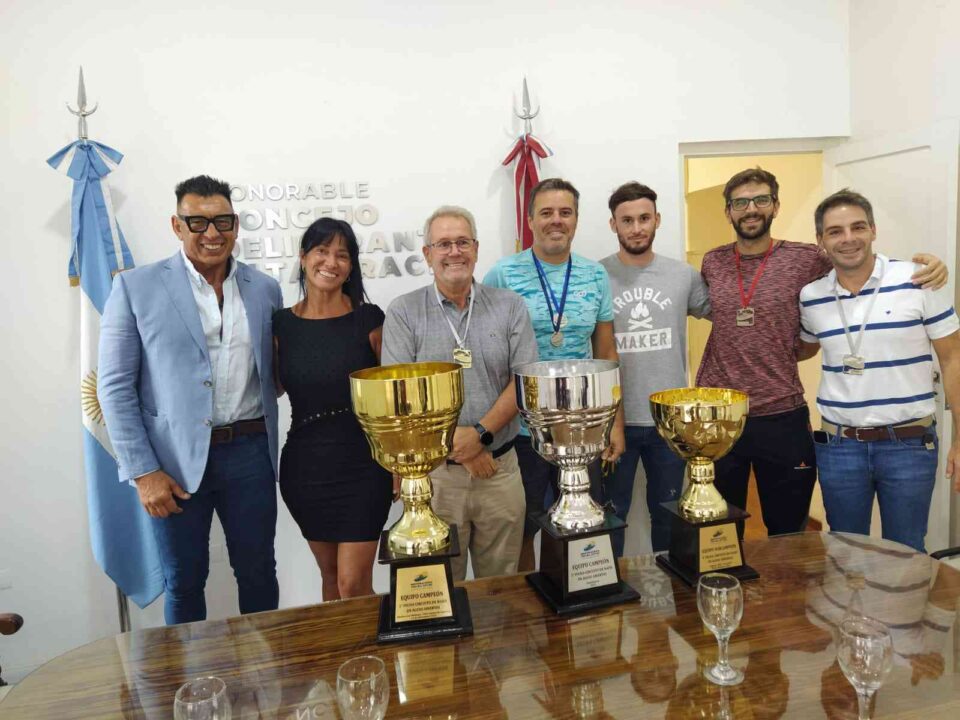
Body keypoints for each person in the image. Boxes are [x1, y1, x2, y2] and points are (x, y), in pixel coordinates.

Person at [696, 167, 947, 537]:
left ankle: (788, 596)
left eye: (761, 199)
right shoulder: (712, 261)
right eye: (741, 202)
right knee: (717, 528)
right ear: (728, 211)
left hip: (782, 413)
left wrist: (930, 267)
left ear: (775, 206)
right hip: (719, 414)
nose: (751, 209)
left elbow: (858, 263)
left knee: (789, 534)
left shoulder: (807, 259)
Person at [98, 175, 282, 625]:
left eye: (222, 221)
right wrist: (143, 472)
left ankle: (267, 684)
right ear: (177, 226)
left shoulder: (265, 289)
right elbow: (115, 386)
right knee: (183, 580)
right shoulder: (135, 288)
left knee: (259, 574)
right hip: (172, 465)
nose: (212, 233)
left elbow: (276, 372)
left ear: (236, 225)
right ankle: (187, 690)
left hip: (251, 453)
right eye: (197, 222)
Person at [798, 189, 960, 552]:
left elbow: (954, 359)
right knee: (844, 550)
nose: (849, 238)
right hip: (839, 447)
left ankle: (904, 612)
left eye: (858, 227)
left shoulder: (919, 279)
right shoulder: (812, 296)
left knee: (905, 553)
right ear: (821, 241)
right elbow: (803, 348)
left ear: (873, 230)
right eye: (835, 231)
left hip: (909, 444)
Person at [382, 206, 537, 580]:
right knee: (438, 588)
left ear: (477, 249)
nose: (455, 252)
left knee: (501, 588)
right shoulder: (404, 312)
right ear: (427, 254)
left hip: (499, 471)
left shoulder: (509, 306)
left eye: (462, 242)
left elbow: (523, 380)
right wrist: (462, 449)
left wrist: (481, 435)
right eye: (444, 243)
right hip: (436, 478)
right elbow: (399, 395)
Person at [484, 178, 625, 571]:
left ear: (577, 220)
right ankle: (532, 599)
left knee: (583, 520)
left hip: (581, 428)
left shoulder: (594, 275)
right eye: (546, 212)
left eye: (565, 212)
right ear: (530, 220)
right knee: (523, 527)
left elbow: (606, 352)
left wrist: (615, 423)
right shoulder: (503, 274)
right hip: (522, 429)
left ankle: (578, 591)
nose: (556, 220)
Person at [273, 217, 393, 600]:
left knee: (353, 584)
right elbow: (273, 385)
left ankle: (372, 661)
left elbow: (392, 399)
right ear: (304, 257)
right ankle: (341, 661)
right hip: (305, 469)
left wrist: (396, 466)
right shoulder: (280, 325)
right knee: (329, 580)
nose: (331, 261)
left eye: (342, 254)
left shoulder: (369, 319)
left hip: (364, 466)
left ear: (352, 266)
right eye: (322, 250)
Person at [599, 182, 710, 557]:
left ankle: (675, 597)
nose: (636, 227)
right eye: (626, 220)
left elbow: (727, 315)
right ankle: (605, 592)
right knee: (610, 515)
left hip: (671, 420)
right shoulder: (596, 277)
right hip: (614, 419)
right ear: (613, 224)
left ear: (657, 220)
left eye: (644, 218)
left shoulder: (683, 275)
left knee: (669, 514)